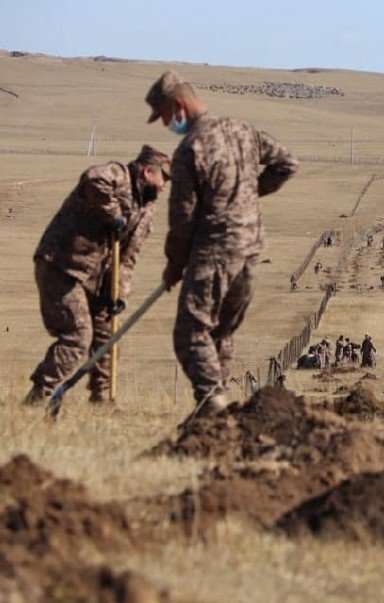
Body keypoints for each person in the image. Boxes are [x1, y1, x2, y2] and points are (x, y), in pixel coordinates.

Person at [146, 70, 298, 414]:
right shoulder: (242, 131)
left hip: (214, 251)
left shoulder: (190, 148)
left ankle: (213, 402)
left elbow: (182, 218)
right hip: (251, 251)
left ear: (178, 105)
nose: (167, 124)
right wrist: (249, 193)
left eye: (166, 117)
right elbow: (287, 163)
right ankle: (218, 413)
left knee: (190, 332)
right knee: (221, 335)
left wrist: (174, 265)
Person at [24, 146, 171, 405]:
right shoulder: (118, 175)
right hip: (62, 265)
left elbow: (128, 259)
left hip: (97, 279)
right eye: (164, 179)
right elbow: (93, 179)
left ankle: (101, 401)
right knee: (77, 335)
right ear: (148, 172)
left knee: (107, 336)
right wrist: (112, 213)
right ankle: (38, 396)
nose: (163, 187)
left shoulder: (146, 211)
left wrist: (119, 292)